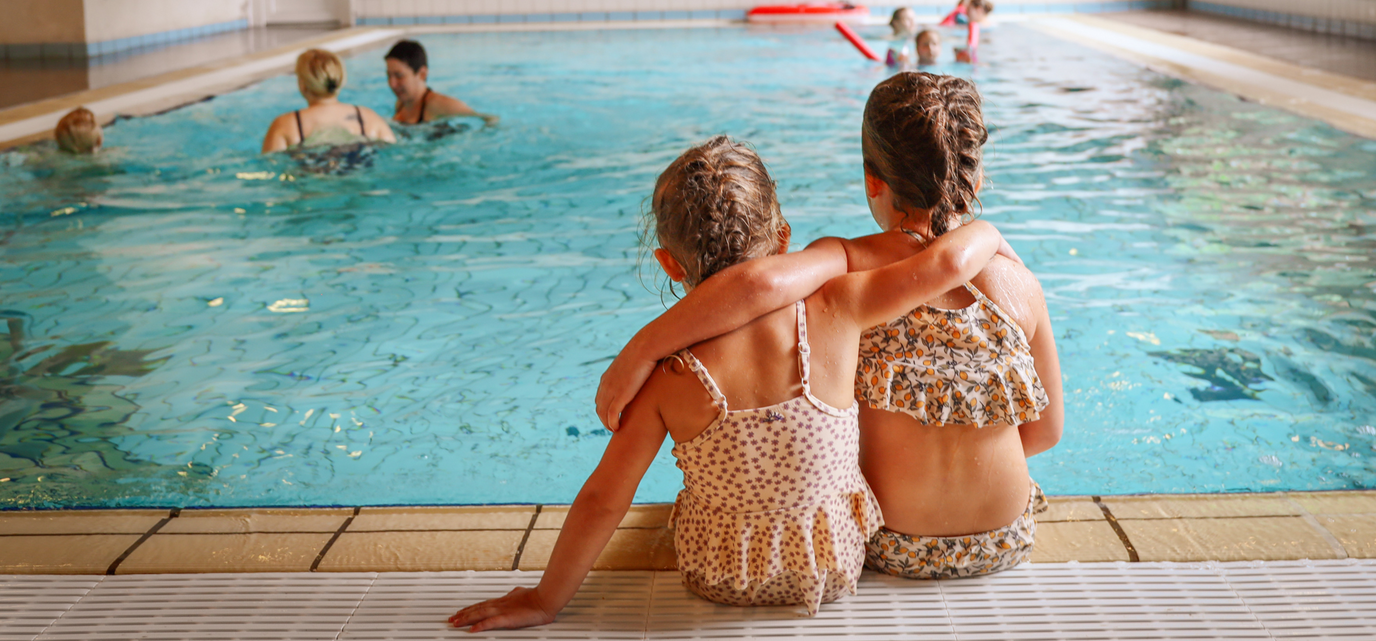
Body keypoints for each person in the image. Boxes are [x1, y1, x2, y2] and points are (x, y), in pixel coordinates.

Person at [449, 137, 1014, 631]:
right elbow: (938, 264)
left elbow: (602, 500)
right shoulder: (838, 308)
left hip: (716, 575)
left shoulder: (667, 375)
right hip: (833, 567)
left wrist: (545, 600)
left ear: (670, 264)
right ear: (784, 237)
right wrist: (985, 230)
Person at [595, 72, 1063, 581]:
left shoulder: (847, 264)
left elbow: (755, 286)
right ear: (973, 178)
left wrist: (642, 348)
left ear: (871, 180)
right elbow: (1045, 433)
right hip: (1005, 536)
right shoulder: (1020, 284)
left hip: (891, 541)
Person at [262, 49, 396, 154]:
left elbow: (269, 169)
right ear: (341, 79)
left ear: (303, 84)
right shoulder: (368, 118)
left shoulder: (286, 125)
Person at [384, 39, 498, 126]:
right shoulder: (400, 104)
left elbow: (491, 119)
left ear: (422, 74)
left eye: (399, 76)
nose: (392, 84)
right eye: (389, 75)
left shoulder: (439, 105)